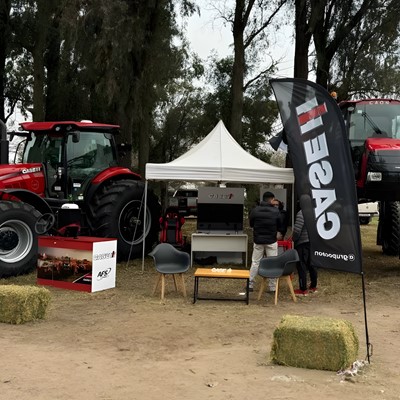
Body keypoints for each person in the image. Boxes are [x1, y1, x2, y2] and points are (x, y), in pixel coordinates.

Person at [248, 191, 286, 292]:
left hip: (258, 240)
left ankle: (250, 284)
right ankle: (272, 287)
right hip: (271, 241)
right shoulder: (275, 211)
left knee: (255, 262)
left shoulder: (255, 210)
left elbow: (251, 224)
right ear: (272, 199)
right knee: (273, 263)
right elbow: (280, 225)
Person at [292, 208, 318, 296]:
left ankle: (303, 289)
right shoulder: (316, 211)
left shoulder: (301, 213)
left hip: (303, 242)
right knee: (312, 265)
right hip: (313, 242)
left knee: (301, 265)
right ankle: (313, 286)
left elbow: (297, 230)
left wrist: (293, 239)